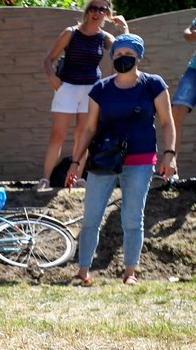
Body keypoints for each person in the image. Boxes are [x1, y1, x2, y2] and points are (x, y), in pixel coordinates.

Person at [67, 34, 177, 286]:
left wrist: (169, 154)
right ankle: (83, 271)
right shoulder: (101, 88)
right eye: (117, 54)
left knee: (131, 217)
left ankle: (130, 273)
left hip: (140, 161)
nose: (122, 58)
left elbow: (167, 122)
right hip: (103, 161)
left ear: (138, 56)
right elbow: (88, 129)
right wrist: (76, 161)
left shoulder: (153, 84)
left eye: (127, 54)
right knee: (91, 217)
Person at [36, 0, 128, 192]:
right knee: (57, 135)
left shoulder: (104, 38)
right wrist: (54, 80)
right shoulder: (71, 32)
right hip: (67, 87)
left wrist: (124, 29)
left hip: (91, 90)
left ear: (107, 14)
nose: (97, 13)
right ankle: (45, 179)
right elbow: (48, 60)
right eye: (94, 8)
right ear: (87, 10)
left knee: (83, 136)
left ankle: (76, 178)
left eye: (102, 9)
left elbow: (125, 52)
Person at [170, 16, 196, 162]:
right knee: (177, 111)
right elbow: (187, 33)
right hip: (194, 70)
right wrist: (193, 34)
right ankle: (170, 165)